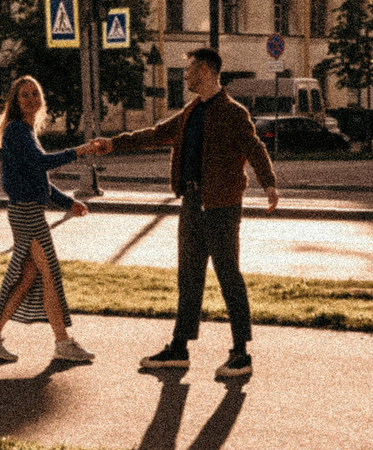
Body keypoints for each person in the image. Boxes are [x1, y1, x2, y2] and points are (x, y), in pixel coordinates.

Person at [111, 47, 280, 380]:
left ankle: (241, 352)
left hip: (221, 206)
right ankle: (179, 348)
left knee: (228, 276)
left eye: (188, 70)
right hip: (191, 202)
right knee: (188, 278)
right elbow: (158, 134)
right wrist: (114, 144)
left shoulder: (233, 112)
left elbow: (254, 147)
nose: (185, 75)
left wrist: (269, 184)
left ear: (204, 70)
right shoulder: (191, 110)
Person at [0, 75, 109, 364]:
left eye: (35, 93)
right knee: (50, 274)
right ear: (14, 101)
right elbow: (41, 163)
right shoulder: (16, 131)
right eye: (24, 95)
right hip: (27, 214)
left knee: (28, 277)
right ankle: (63, 342)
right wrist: (82, 150)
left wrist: (68, 202)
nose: (31, 99)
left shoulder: (24, 131)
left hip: (27, 210)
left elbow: (39, 180)